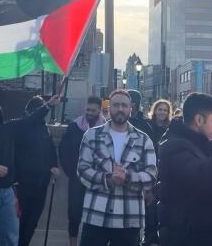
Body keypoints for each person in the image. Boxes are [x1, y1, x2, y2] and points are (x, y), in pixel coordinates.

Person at [157, 93, 212, 246]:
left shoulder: (196, 143)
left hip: (204, 233)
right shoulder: (174, 147)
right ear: (199, 120)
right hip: (188, 236)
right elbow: (203, 178)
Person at [0, 94, 60, 246]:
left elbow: (30, 120)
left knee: (10, 234)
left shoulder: (8, 128)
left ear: (0, 112)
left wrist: (48, 105)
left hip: (7, 192)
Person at [78, 89, 157, 246]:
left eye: (124, 105)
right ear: (109, 108)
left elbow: (151, 176)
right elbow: (82, 170)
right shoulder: (91, 135)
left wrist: (126, 177)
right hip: (96, 214)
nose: (120, 109)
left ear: (131, 109)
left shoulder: (143, 139)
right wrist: (108, 179)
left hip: (129, 218)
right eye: (116, 105)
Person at [59, 96, 106, 246]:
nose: (90, 113)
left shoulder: (106, 128)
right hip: (77, 177)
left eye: (93, 110)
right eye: (88, 109)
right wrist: (71, 170)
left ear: (99, 110)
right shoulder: (74, 126)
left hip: (98, 178)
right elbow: (64, 149)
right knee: (74, 212)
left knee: (95, 214)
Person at [14, 96, 61, 246]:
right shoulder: (23, 126)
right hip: (23, 183)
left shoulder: (44, 128)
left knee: (32, 222)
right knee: (20, 221)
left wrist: (54, 165)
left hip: (41, 184)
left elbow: (50, 149)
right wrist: (48, 105)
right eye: (38, 109)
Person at [143, 99, 172, 245]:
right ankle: (150, 235)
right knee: (150, 205)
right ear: (155, 111)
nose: (162, 112)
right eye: (160, 109)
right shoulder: (148, 126)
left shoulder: (170, 129)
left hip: (164, 171)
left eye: (165, 110)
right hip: (150, 168)